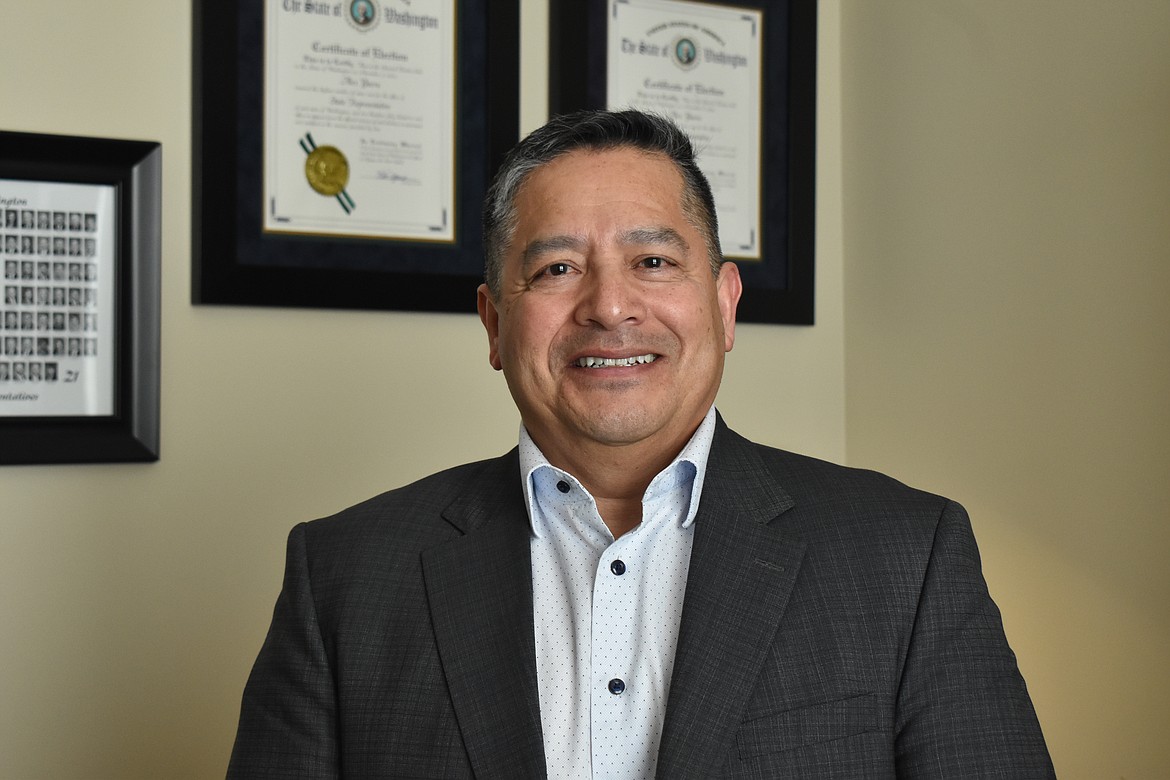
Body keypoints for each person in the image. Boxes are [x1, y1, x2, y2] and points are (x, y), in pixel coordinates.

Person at [228, 110, 1052, 778]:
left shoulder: (904, 555)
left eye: (653, 260)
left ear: (725, 307)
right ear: (493, 322)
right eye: (555, 271)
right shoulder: (342, 575)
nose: (610, 307)